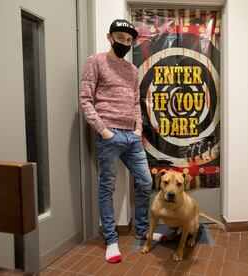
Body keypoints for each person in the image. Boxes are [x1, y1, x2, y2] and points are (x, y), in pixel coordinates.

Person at [79, 19, 165, 264]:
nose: (125, 43)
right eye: (120, 38)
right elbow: (85, 99)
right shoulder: (95, 61)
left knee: (145, 181)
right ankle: (111, 239)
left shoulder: (133, 70)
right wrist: (104, 130)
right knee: (107, 187)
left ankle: (142, 231)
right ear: (109, 37)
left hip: (132, 136)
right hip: (110, 135)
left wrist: (138, 129)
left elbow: (135, 102)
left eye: (129, 40)